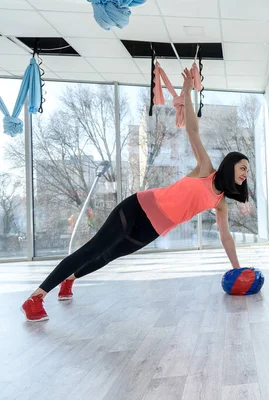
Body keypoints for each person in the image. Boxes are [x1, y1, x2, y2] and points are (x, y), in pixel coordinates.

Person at [21, 68, 250, 322]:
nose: (244, 174)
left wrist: (237, 268)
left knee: (108, 256)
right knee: (94, 248)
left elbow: (226, 237)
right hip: (138, 208)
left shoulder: (221, 204)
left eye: (247, 172)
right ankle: (35, 297)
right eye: (243, 168)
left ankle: (69, 280)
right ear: (230, 165)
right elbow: (193, 132)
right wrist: (186, 91)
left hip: (152, 230)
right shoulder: (206, 169)